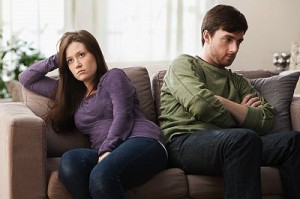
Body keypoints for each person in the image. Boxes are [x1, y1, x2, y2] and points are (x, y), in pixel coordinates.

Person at [159, 4, 300, 199]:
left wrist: (220, 101)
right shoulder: (183, 64)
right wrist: (242, 113)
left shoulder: (237, 80)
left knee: (293, 141)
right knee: (244, 138)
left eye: (239, 41)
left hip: (234, 143)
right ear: (207, 36)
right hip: (184, 143)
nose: (234, 49)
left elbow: (266, 120)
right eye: (228, 39)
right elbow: (201, 106)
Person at [19, 30, 167, 199]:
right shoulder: (71, 94)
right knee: (69, 162)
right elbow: (26, 78)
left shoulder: (113, 77)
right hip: (108, 153)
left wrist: (107, 149)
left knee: (100, 175)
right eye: (70, 60)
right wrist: (58, 57)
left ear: (95, 54)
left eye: (81, 55)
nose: (77, 64)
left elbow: (123, 116)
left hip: (143, 141)